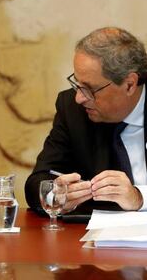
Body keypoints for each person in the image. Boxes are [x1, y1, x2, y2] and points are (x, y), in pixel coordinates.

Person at [25, 27, 147, 214]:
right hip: (90, 236)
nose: (79, 98)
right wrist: (55, 195)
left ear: (129, 84)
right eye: (77, 84)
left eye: (89, 88)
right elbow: (38, 181)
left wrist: (139, 198)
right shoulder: (72, 109)